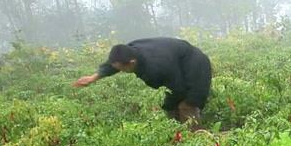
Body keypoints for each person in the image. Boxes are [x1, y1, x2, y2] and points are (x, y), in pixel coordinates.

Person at [73, 37, 212, 124]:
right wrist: (93, 77)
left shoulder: (156, 68)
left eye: (121, 69)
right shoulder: (129, 51)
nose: (120, 71)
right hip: (175, 61)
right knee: (170, 107)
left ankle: (197, 143)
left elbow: (178, 89)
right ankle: (180, 137)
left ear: (132, 63)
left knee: (186, 105)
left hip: (196, 66)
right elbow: (113, 64)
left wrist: (163, 103)